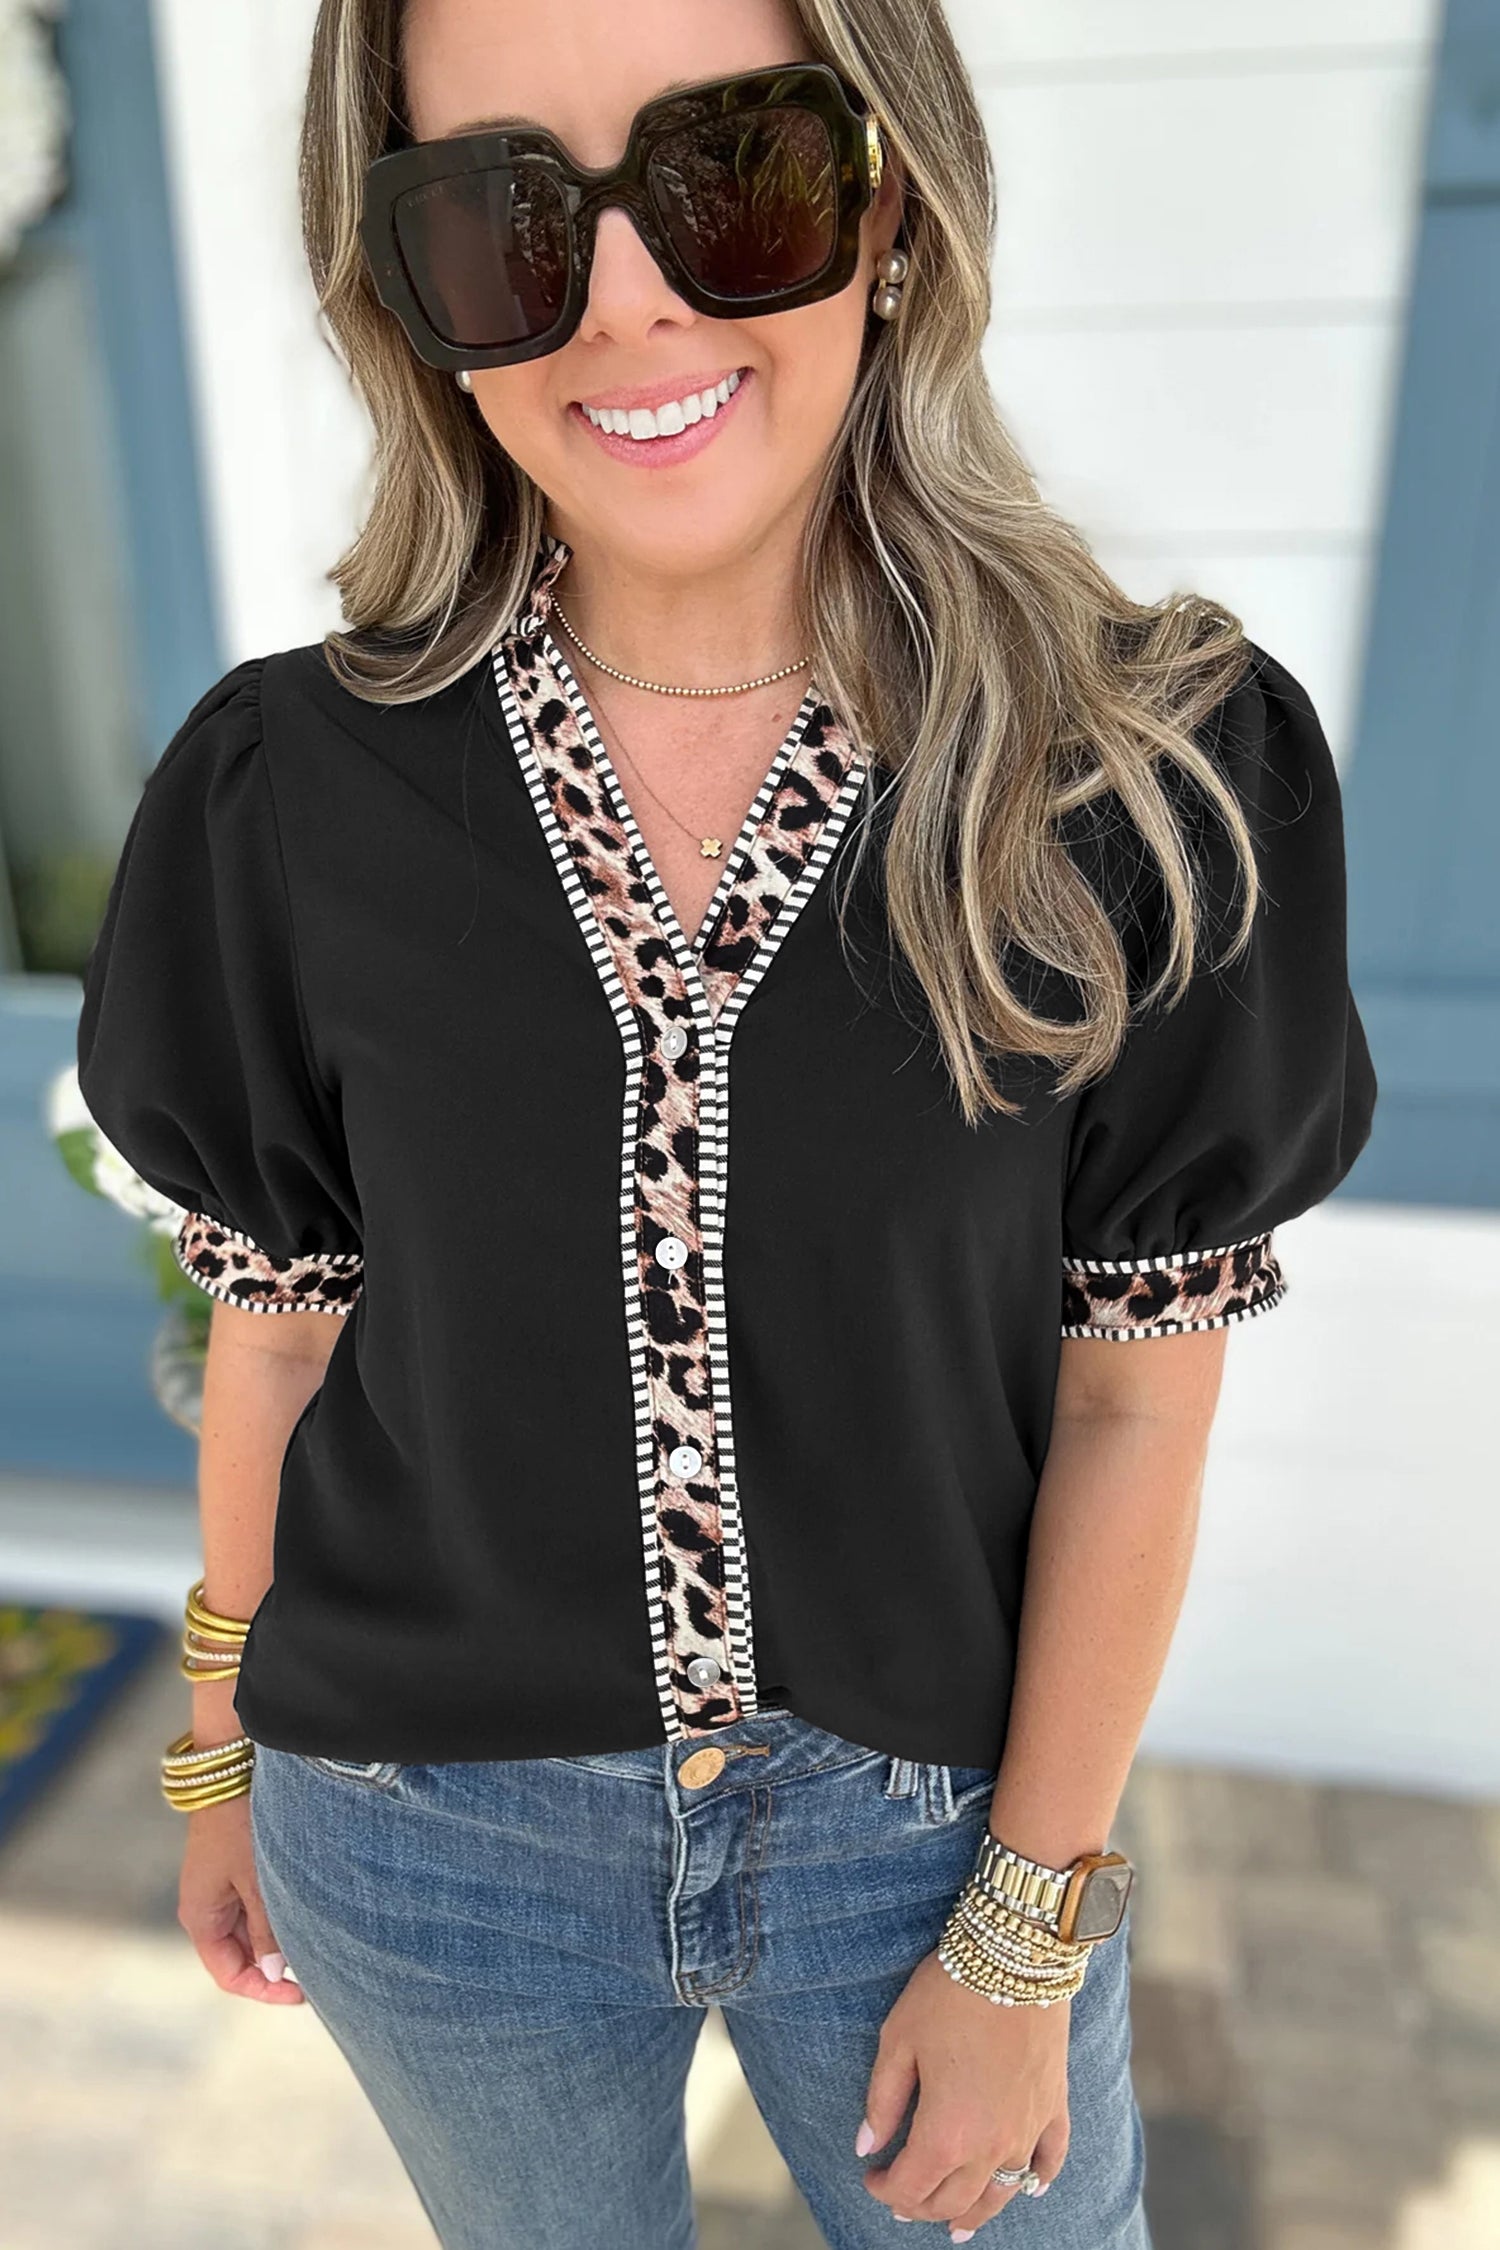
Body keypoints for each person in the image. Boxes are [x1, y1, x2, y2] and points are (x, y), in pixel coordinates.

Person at [75, 0, 1378, 2243]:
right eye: (502, 219)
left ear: (892, 197)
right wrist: (220, 1754)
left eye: (736, 171)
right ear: (408, 292)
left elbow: (1134, 1407)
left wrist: (1025, 1924)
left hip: (927, 1843)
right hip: (422, 1834)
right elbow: (279, 1337)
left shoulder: (1137, 771)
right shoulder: (284, 791)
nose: (628, 299)